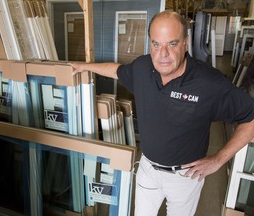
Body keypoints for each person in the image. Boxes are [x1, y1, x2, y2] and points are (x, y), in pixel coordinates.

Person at [70, 11, 254, 216]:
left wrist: (219, 159)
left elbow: (251, 118)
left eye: (172, 44)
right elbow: (117, 70)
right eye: (156, 44)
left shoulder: (208, 83)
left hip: (185, 177)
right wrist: (83, 66)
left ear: (186, 42)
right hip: (148, 170)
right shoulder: (142, 67)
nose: (163, 53)